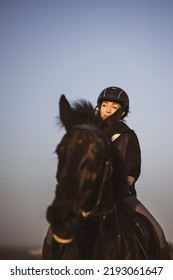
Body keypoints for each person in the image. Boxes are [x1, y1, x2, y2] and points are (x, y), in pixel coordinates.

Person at [97, 86, 171, 259]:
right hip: (89, 196)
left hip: (121, 195)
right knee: (53, 231)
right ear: (99, 107)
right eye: (105, 105)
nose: (108, 110)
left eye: (114, 107)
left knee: (158, 232)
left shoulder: (128, 136)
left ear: (122, 113)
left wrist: (122, 182)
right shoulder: (87, 134)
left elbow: (133, 168)